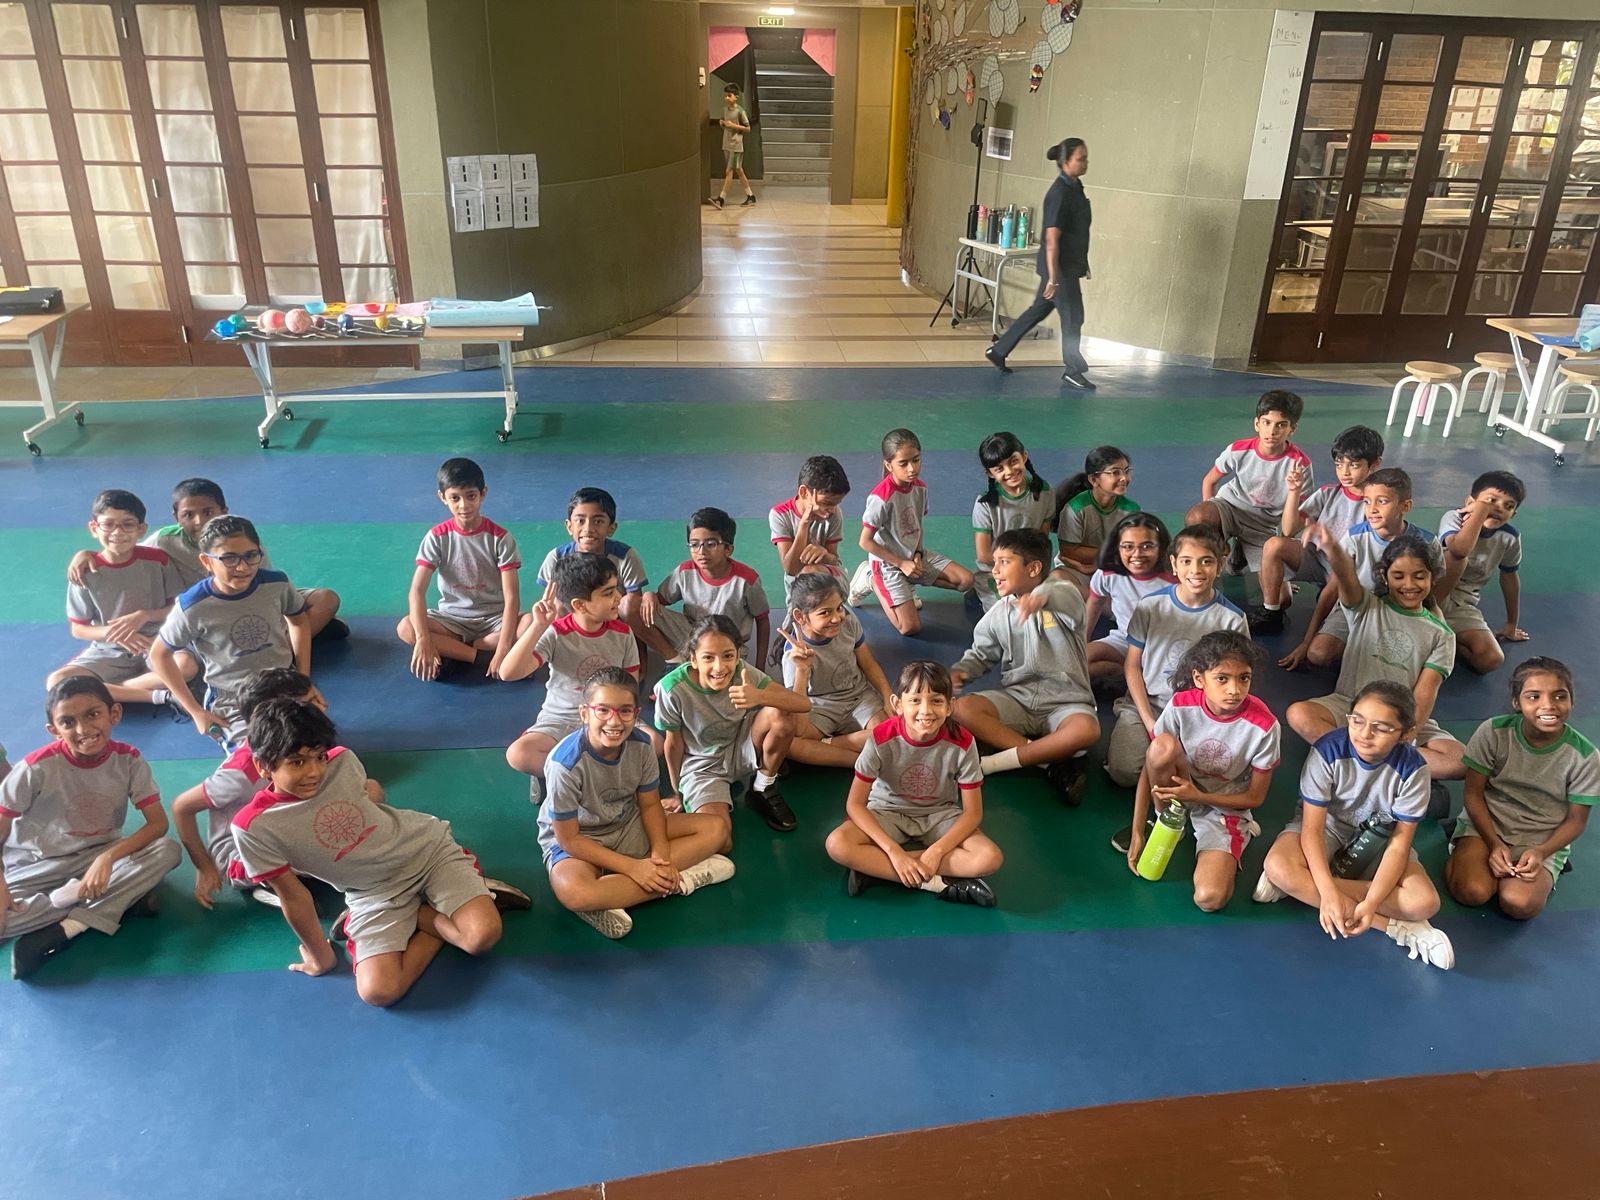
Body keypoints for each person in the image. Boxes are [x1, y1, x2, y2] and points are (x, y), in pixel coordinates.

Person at [231, 699, 528, 1008]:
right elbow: (294, 896)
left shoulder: (343, 761)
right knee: (379, 992)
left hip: (426, 854)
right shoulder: (254, 827)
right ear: (263, 765)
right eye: (297, 762)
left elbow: (369, 792)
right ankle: (432, 912)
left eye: (319, 756)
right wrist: (322, 958)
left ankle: (431, 908)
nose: (315, 771)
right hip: (371, 892)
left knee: (481, 938)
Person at [1256, 680, 1455, 971]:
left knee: (1424, 903)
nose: (1364, 734)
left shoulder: (1414, 769)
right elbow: (1312, 828)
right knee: (1278, 865)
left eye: (1381, 727)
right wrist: (1331, 895)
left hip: (1381, 840)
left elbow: (1399, 844)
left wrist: (1371, 900)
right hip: (1329, 827)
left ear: (1407, 733)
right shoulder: (1328, 749)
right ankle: (1396, 928)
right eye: (1357, 720)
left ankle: (1297, 887)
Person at [0, 677, 181, 980]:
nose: (83, 730)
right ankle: (117, 901)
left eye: (92, 714)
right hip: (34, 862)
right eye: (68, 722)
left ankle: (66, 928)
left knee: (168, 851)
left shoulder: (129, 760)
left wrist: (107, 858)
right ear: (54, 731)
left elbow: (158, 824)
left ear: (115, 714)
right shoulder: (35, 768)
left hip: (96, 855)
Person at [539, 669, 736, 940]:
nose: (614, 721)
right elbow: (569, 840)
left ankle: (612, 895)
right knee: (577, 893)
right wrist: (633, 868)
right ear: (584, 713)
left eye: (625, 711)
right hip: (583, 839)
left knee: (718, 830)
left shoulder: (642, 746)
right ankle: (683, 878)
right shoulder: (565, 764)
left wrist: (661, 855)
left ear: (636, 712)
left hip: (627, 823)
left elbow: (651, 806)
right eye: (603, 710)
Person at [1286, 527, 1464, 791]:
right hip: (1350, 708)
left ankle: (1358, 759)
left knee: (1460, 761)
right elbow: (1346, 577)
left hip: (1402, 719)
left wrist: (1407, 734)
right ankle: (1389, 763)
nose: (1409, 585)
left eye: (1419, 576)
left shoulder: (1441, 635)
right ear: (1385, 576)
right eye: (1399, 576)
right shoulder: (1365, 608)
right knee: (1299, 714)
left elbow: (1425, 693)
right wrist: (1333, 548)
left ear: (1432, 577)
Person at [67, 477, 346, 639]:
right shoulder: (165, 539)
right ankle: (295, 641)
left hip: (252, 599)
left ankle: (288, 644)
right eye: (189, 515)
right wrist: (86, 554)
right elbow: (125, 547)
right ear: (177, 517)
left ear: (224, 510)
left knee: (326, 599)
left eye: (208, 512)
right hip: (209, 611)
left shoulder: (241, 535)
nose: (199, 520)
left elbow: (266, 586)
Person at [825, 661, 1002, 906]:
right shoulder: (880, 738)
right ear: (898, 704)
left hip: (940, 814)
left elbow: (973, 813)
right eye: (915, 700)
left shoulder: (962, 742)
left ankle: (876, 870)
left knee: (988, 857)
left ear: (950, 706)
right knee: (837, 844)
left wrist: (936, 851)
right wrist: (893, 852)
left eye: (937, 701)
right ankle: (938, 883)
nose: (926, 710)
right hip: (887, 811)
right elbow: (855, 805)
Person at [1125, 632, 1278, 912]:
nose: (1234, 689)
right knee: (1162, 747)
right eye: (1222, 678)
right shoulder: (1182, 704)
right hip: (1180, 790)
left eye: (1243, 678)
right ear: (1199, 679)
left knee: (1209, 899)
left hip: (1224, 806)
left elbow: (1255, 798)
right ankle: (1168, 820)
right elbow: (1152, 765)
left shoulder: (1264, 725)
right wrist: (1138, 830)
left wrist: (1198, 795)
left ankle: (1233, 839)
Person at [951, 529, 1099, 803]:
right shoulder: (997, 614)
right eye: (994, 562)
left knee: (1087, 729)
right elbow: (981, 654)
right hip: (1018, 699)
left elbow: (1062, 593)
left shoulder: (1063, 597)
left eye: (1004, 562)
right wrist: (961, 672)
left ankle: (994, 763)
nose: (994, 570)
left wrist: (1043, 596)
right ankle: (1049, 762)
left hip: (1065, 703)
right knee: (961, 708)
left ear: (1033, 568)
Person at [1447, 657, 1598, 921]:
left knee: (1518, 904)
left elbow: (1576, 821)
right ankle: (1464, 847)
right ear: (1517, 703)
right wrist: (1493, 843)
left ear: (1571, 701)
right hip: (1487, 826)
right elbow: (1472, 793)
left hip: (1541, 837)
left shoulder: (1585, 756)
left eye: (1560, 696)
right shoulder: (1493, 732)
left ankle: (1545, 868)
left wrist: (1542, 851)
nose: (1548, 705)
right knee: (1472, 891)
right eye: (1534, 696)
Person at [1107, 524, 1247, 800]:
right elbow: (1132, 666)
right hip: (1149, 704)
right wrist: (1149, 720)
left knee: (1207, 774)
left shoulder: (1232, 619)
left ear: (1220, 565)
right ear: (1174, 564)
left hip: (1199, 713)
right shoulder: (1150, 606)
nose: (1196, 571)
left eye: (1206, 561)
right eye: (1186, 561)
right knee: (1124, 772)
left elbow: (1235, 676)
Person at [169, 668, 327, 911]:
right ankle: (268, 885)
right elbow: (181, 807)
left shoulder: (303, 741)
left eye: (315, 698)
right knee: (321, 842)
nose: (323, 706)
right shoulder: (241, 773)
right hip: (240, 851)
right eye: (310, 703)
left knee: (368, 791)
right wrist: (204, 866)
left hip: (280, 824)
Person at [149, 514, 314, 745]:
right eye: (229, 558)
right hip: (232, 699)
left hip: (284, 688)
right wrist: (195, 711)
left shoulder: (276, 584)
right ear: (207, 562)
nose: (242, 567)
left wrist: (304, 680)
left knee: (310, 754)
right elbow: (159, 655)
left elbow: (298, 620)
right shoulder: (192, 606)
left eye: (251, 556)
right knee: (257, 761)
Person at [653, 615, 809, 835]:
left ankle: (762, 786)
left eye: (728, 656)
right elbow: (673, 744)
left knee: (780, 713)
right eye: (708, 657)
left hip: (740, 748)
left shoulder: (742, 671)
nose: (719, 667)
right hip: (702, 768)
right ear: (693, 659)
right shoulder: (671, 689)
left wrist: (761, 696)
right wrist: (676, 791)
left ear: (738, 654)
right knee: (719, 833)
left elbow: (802, 704)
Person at [499, 553, 641, 795]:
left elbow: (631, 687)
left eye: (616, 589)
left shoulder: (623, 633)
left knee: (655, 743)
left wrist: (614, 719)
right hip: (561, 719)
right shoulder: (556, 633)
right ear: (579, 605)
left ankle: (563, 774)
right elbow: (508, 673)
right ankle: (585, 778)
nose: (619, 597)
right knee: (519, 754)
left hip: (609, 716)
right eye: (608, 593)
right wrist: (537, 626)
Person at [50, 488, 197, 709]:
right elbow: (78, 629)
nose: (117, 532)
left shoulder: (158, 560)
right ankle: (157, 696)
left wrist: (146, 616)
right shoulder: (83, 572)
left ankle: (117, 689)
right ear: (94, 528)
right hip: (110, 649)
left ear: (141, 529)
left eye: (127, 524)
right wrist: (114, 634)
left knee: (186, 667)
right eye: (109, 524)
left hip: (157, 640)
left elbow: (176, 607)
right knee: (58, 681)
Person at [1279, 467, 1431, 671]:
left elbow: (1433, 596)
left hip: (1401, 609)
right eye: (1367, 502)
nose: (1372, 509)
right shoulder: (1354, 538)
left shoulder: (1428, 542)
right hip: (1357, 607)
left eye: (1382, 501)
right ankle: (1368, 646)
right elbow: (1332, 589)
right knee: (1318, 654)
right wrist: (1307, 641)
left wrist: (1431, 630)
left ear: (1406, 506)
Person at [397, 457, 527, 681]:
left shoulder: (500, 538)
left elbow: (512, 596)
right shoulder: (437, 537)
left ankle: (457, 651)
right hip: (452, 619)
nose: (464, 505)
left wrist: (504, 646)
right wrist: (423, 640)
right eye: (455, 498)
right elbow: (416, 591)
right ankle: (480, 657)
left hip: (494, 620)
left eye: (471, 496)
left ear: (483, 494)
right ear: (442, 498)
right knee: (406, 628)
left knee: (532, 623)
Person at [1249, 424, 1384, 635]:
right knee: (1274, 545)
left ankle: (1330, 598)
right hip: (1317, 560)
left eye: (1354, 465)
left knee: (1331, 627)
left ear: (1375, 463)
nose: (1344, 472)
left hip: (1350, 572)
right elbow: (1288, 530)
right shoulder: (1328, 494)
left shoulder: (1378, 503)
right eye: (1339, 465)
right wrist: (1294, 492)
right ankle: (1272, 613)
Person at [984, 136, 1095, 389]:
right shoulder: (1059, 193)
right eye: (1081, 159)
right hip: (1060, 270)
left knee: (1039, 309)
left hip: (1064, 267)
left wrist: (1081, 262)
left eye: (1086, 158)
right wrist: (1054, 278)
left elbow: (1076, 233)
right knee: (1073, 317)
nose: (1085, 163)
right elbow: (1052, 238)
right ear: (1066, 162)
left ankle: (999, 351)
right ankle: (1073, 368)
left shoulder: (1075, 187)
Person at [850, 428, 975, 636]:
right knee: (909, 628)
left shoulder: (920, 488)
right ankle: (871, 578)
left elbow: (917, 525)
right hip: (887, 564)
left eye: (916, 460)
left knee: (965, 581)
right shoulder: (881, 498)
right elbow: (865, 542)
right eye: (904, 463)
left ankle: (908, 582)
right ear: (888, 465)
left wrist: (917, 555)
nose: (912, 468)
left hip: (913, 556)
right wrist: (901, 564)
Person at [1186, 390, 1311, 577]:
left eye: (1281, 425)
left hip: (1263, 525)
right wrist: (1211, 525)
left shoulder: (1300, 465)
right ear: (1257, 424)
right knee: (1198, 517)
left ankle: (1240, 554)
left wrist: (1279, 559)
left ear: (1292, 429)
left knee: (1283, 599)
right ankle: (1216, 556)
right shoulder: (1238, 450)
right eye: (1266, 423)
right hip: (1229, 507)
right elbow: (1209, 480)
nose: (1272, 431)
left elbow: (1294, 522)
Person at [781, 573, 894, 770]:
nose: (836, 618)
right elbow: (798, 719)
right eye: (825, 613)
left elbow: (868, 663)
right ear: (800, 617)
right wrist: (801, 669)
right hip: (821, 706)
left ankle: (830, 746)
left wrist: (887, 696)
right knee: (790, 744)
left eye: (839, 608)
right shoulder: (793, 655)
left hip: (859, 697)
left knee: (889, 734)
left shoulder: (848, 620)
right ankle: (858, 763)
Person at [639, 507, 771, 670]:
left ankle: (697, 666)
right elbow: (658, 601)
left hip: (726, 644)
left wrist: (760, 667)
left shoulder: (747, 580)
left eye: (710, 544)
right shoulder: (684, 572)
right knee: (630, 605)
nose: (701, 552)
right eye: (694, 544)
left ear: (728, 549)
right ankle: (675, 661)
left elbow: (762, 620)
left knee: (726, 691)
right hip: (690, 636)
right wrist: (649, 595)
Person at [1434, 470, 1528, 674]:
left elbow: (1510, 578)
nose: (1498, 508)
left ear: (1513, 514)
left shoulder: (1509, 538)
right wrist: (1479, 512)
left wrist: (1511, 623)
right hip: (1430, 595)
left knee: (1491, 659)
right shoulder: (1454, 517)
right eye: (1491, 500)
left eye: (1508, 506)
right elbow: (1459, 549)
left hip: (1462, 605)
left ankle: (1447, 641)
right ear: (1470, 501)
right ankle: (1428, 619)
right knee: (1456, 557)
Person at [534, 487, 649, 633]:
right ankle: (562, 651)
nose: (588, 528)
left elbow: (634, 605)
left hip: (614, 619)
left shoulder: (625, 556)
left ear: (611, 528)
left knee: (631, 605)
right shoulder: (557, 558)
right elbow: (548, 600)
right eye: (580, 520)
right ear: (569, 526)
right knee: (556, 605)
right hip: (574, 624)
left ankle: (637, 655)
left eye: (598, 521)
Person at [1085, 512, 1173, 689]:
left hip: (1163, 648)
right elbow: (1094, 604)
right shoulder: (1109, 574)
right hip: (1125, 640)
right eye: (1128, 547)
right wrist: (1082, 642)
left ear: (1161, 547)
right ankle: (1126, 674)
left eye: (1147, 546)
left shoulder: (1174, 579)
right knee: (1078, 663)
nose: (1137, 554)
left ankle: (1135, 675)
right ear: (1117, 548)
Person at [971, 432, 1055, 610]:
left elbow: (1042, 539)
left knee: (1051, 607)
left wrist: (1031, 572)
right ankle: (978, 591)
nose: (1009, 471)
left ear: (1024, 456)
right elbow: (984, 555)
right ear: (990, 473)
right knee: (1009, 613)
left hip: (1030, 569)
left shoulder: (1045, 492)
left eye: (1013, 461)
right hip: (997, 573)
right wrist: (1015, 569)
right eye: (999, 469)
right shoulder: (985, 504)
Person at [1052, 445, 1138, 589]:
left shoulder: (1132, 511)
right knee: (1057, 580)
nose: (1124, 478)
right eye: (1115, 472)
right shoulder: (1075, 508)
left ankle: (1095, 604)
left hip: (1115, 568)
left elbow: (1133, 552)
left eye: (1127, 471)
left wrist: (1099, 564)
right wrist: (1115, 552)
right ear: (1093, 479)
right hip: (1077, 569)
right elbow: (1069, 552)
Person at [769, 454, 851, 598]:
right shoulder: (780, 515)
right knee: (808, 577)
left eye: (836, 503)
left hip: (831, 577)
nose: (831, 509)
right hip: (799, 583)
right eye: (826, 503)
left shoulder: (834, 513)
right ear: (804, 492)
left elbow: (834, 560)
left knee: (813, 573)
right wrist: (804, 523)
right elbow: (791, 568)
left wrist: (824, 555)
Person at [712, 83, 755, 209]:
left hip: (736, 146)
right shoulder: (725, 110)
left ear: (735, 97)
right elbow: (724, 123)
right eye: (725, 96)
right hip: (726, 144)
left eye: (729, 95)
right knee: (739, 171)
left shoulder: (740, 112)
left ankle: (721, 199)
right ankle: (750, 196)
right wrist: (723, 123)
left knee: (729, 171)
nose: (726, 98)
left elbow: (748, 128)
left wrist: (733, 126)